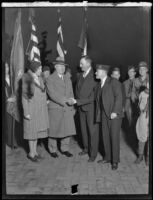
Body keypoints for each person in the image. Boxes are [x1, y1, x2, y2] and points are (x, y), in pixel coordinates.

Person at [45, 57, 76, 158]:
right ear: (55, 67)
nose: (62, 68)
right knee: (54, 131)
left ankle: (65, 149)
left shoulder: (67, 78)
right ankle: (52, 150)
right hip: (56, 108)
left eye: (64, 66)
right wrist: (65, 100)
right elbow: (52, 94)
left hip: (67, 108)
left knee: (67, 130)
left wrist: (72, 100)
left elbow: (71, 92)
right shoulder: (50, 78)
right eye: (60, 66)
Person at [95, 64, 124, 170]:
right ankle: (107, 157)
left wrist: (115, 111)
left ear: (103, 72)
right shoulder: (99, 84)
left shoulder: (113, 82)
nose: (95, 73)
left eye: (97, 71)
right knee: (105, 136)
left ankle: (115, 161)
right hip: (104, 114)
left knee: (114, 137)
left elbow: (119, 97)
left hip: (114, 115)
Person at [71, 56, 99, 162]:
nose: (80, 65)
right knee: (84, 130)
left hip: (91, 108)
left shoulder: (95, 76)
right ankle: (86, 148)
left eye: (82, 63)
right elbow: (77, 90)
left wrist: (78, 101)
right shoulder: (80, 75)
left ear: (88, 64)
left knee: (92, 132)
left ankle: (93, 154)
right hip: (81, 108)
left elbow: (93, 97)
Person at [22, 61, 49, 162]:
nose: (41, 71)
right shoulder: (27, 78)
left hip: (40, 109)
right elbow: (24, 97)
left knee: (36, 132)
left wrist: (45, 100)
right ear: (34, 69)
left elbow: (43, 91)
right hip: (31, 109)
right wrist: (26, 112)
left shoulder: (40, 78)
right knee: (31, 132)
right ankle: (31, 153)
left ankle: (35, 152)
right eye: (39, 69)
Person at [135, 83, 149, 166]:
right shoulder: (143, 93)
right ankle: (140, 155)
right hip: (144, 116)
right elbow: (139, 105)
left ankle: (148, 157)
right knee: (141, 135)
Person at [5, 62, 18, 149]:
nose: (7, 68)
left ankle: (13, 141)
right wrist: (7, 99)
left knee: (13, 124)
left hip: (13, 105)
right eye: (5, 67)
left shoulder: (11, 78)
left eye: (7, 67)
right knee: (7, 124)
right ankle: (9, 141)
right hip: (6, 105)